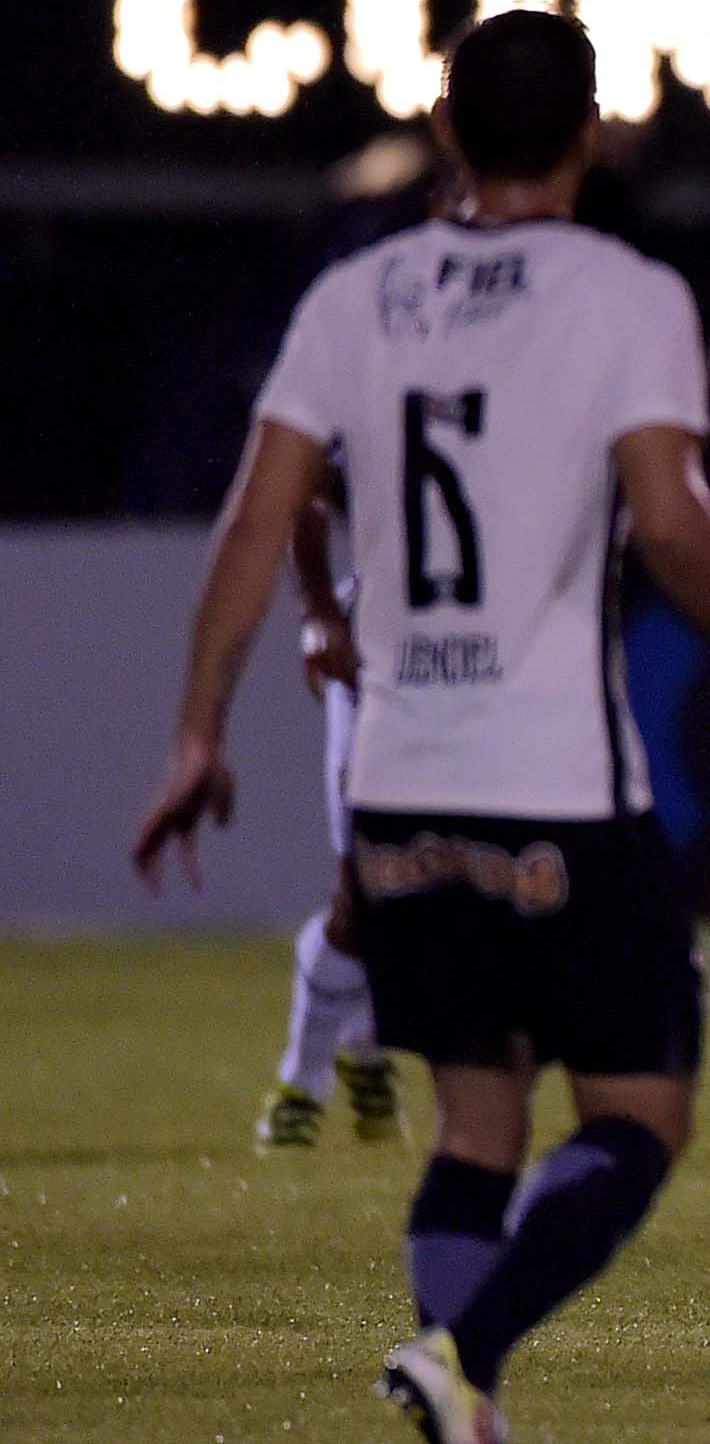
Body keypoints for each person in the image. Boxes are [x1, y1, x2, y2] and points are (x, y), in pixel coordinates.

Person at [131, 10, 710, 1442]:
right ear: (590, 134)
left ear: (444, 130)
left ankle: (466, 1393)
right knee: (640, 1114)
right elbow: (670, 516)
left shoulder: (355, 298)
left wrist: (199, 734)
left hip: (398, 786)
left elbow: (258, 520)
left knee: (477, 1127)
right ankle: (466, 1356)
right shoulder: (628, 295)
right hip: (559, 785)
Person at [249, 484, 401, 1151]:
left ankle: (366, 1047)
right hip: (383, 641)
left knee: (462, 880)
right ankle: (304, 1082)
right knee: (363, 882)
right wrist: (318, 611)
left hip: (492, 647)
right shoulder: (381, 382)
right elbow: (303, 493)